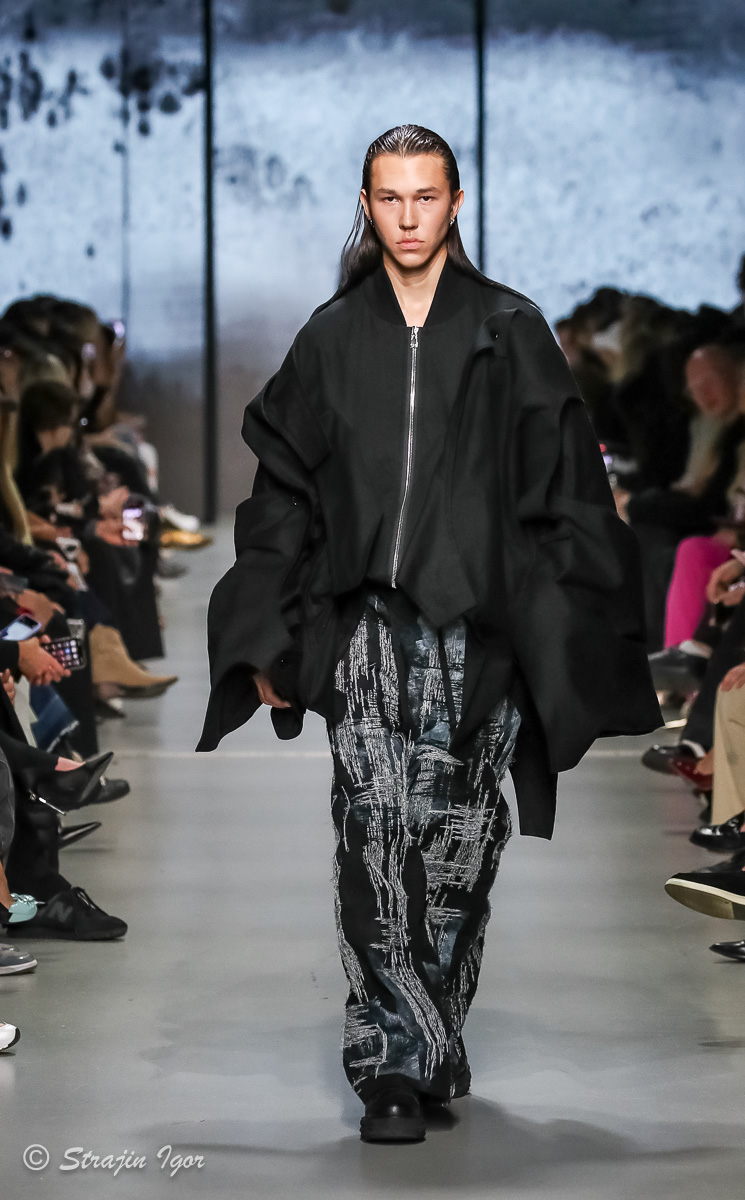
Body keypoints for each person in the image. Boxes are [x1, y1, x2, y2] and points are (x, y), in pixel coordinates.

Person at [198, 124, 661, 1143]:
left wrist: (563, 633)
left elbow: (567, 493)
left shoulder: (510, 328)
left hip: (481, 629)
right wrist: (268, 631)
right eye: (389, 197)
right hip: (361, 620)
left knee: (457, 845)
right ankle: (389, 1068)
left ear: (455, 202)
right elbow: (282, 494)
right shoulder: (332, 336)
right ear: (366, 205)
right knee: (372, 831)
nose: (407, 217)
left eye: (425, 196)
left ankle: (429, 1034)